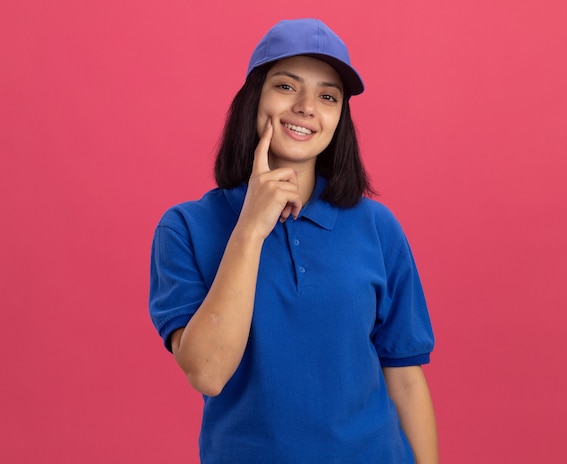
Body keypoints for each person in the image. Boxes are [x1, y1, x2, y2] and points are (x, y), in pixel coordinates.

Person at [149, 18, 437, 464]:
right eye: (286, 87)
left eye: (327, 96)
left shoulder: (378, 227)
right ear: (253, 100)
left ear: (338, 118)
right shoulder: (186, 228)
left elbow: (404, 376)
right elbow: (207, 372)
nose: (307, 107)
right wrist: (250, 227)